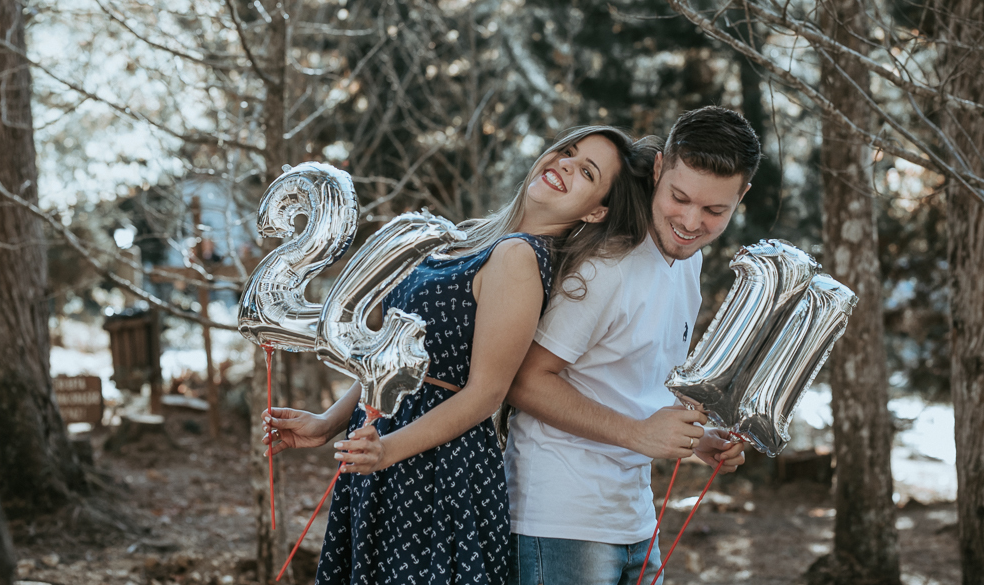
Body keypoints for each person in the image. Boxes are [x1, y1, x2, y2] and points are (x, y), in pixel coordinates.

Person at [263, 125, 653, 585]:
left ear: (596, 211)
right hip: (380, 451)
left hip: (438, 471)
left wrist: (388, 450)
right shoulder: (465, 237)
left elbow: (486, 394)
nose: (565, 164)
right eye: (567, 151)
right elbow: (398, 360)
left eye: (586, 172)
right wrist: (327, 423)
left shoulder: (519, 257)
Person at [504, 106, 761, 585]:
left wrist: (698, 441)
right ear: (659, 167)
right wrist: (639, 434)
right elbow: (524, 381)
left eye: (714, 210)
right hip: (560, 522)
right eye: (679, 198)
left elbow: (630, 386)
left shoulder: (688, 259)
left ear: (741, 195)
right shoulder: (606, 264)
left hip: (636, 520)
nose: (690, 221)